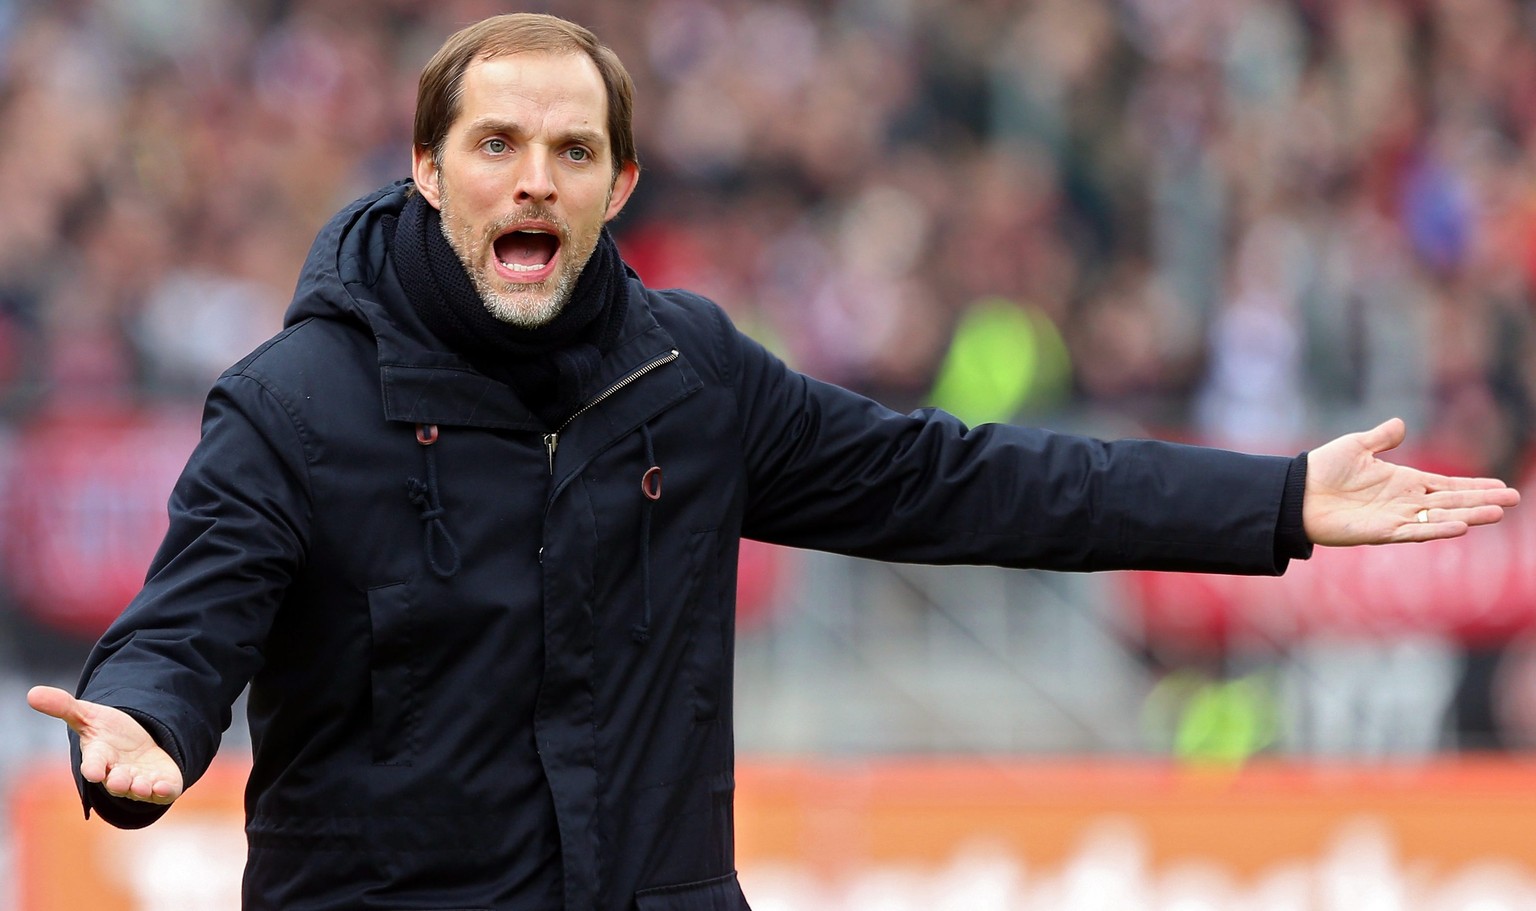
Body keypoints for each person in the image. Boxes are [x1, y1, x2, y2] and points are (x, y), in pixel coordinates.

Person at [25, 13, 1519, 911]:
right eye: (492, 145)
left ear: (619, 182)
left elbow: (966, 482)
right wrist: (140, 741)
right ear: (425, 170)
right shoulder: (291, 402)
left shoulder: (691, 374)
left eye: (568, 147)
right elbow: (184, 629)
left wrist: (1273, 503)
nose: (531, 174)